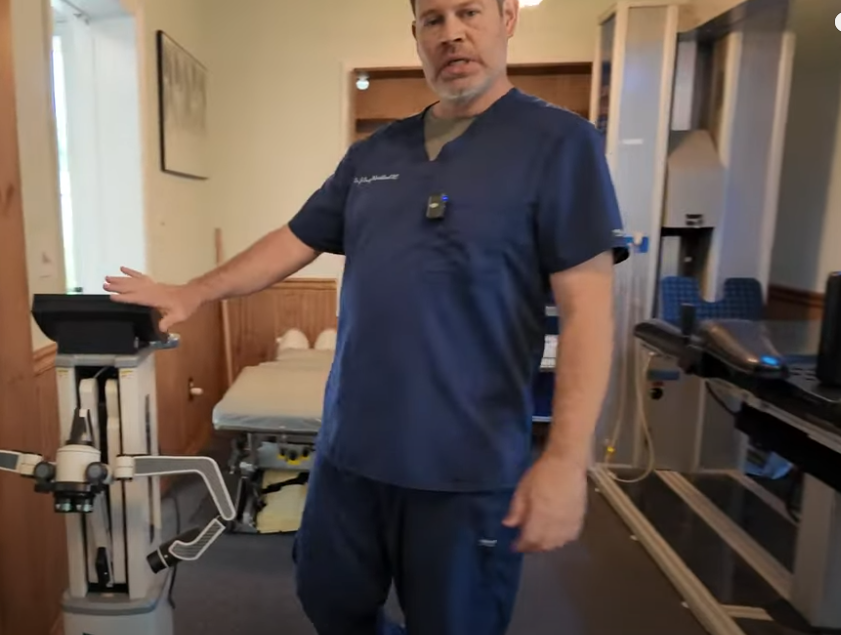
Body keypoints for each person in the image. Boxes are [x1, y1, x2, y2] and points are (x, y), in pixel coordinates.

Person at [104, 0, 626, 632]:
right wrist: (193, 291)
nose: (452, 33)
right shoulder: (377, 152)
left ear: (508, 18)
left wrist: (567, 461)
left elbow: (588, 313)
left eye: (469, 12)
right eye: (433, 19)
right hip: (351, 453)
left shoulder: (559, 143)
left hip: (464, 467)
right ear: (416, 35)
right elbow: (293, 240)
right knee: (328, 598)